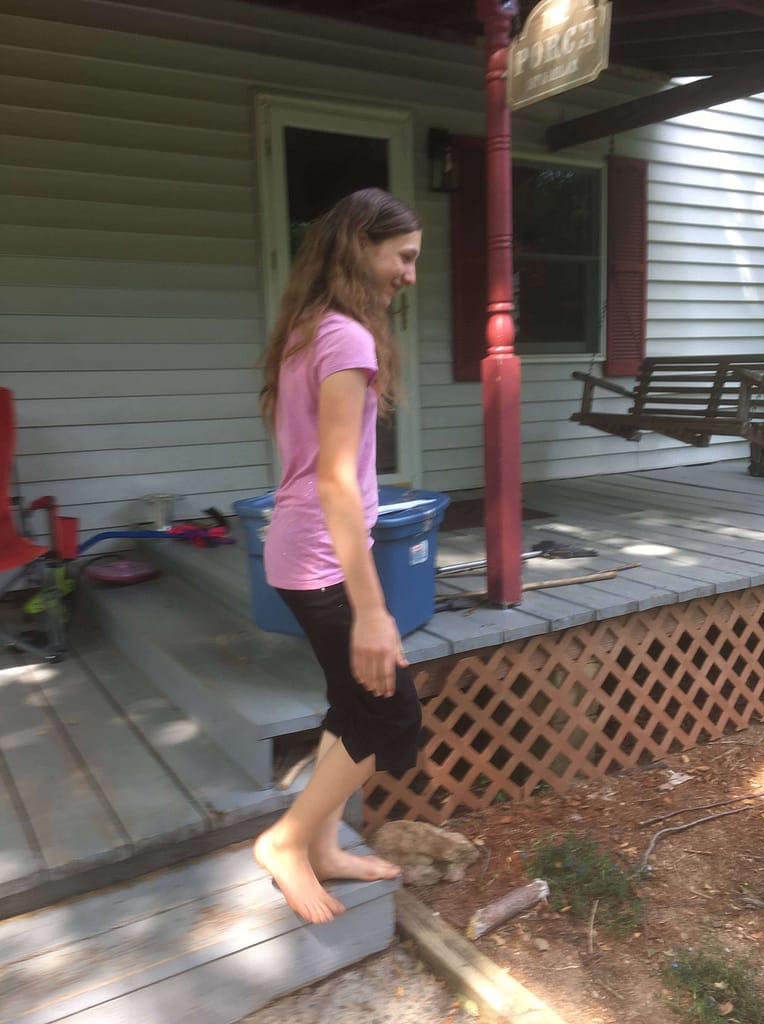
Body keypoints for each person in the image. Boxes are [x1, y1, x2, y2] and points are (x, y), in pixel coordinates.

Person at [253, 188, 423, 925]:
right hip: (322, 558)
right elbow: (334, 480)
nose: (411, 274)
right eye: (405, 257)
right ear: (364, 248)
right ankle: (288, 841)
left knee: (350, 702)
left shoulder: (307, 329)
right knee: (392, 718)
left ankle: (320, 845)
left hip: (299, 550)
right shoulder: (346, 338)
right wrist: (373, 610)